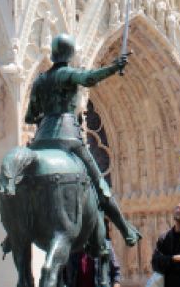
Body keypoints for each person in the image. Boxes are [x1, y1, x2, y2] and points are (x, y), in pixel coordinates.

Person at [24, 33, 141, 246]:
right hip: (67, 137)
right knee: (100, 185)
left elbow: (30, 117)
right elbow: (88, 79)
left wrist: (45, 116)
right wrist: (115, 67)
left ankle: (11, 235)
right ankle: (126, 231)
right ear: (69, 53)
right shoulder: (67, 74)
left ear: (52, 53)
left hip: (41, 140)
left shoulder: (39, 81)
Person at [64, 222, 122, 287]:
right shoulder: (72, 249)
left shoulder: (106, 246)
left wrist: (116, 284)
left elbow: (116, 272)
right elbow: (63, 274)